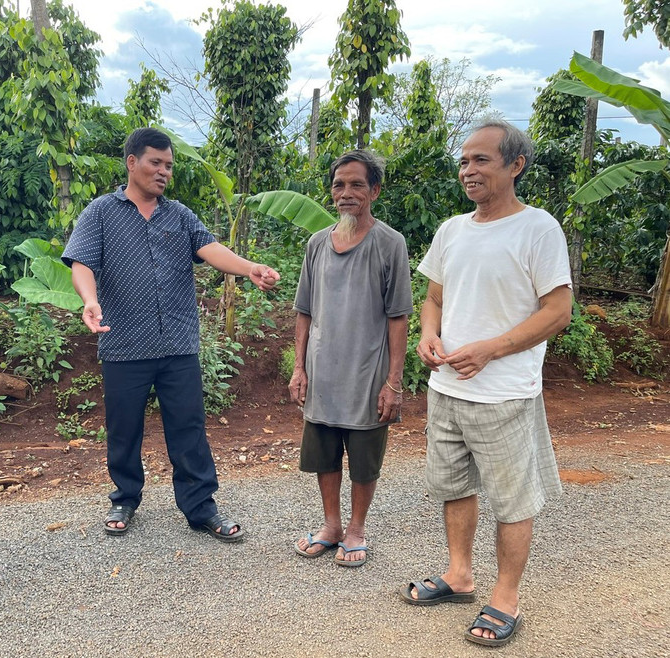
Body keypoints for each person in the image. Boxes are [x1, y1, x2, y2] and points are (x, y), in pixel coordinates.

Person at [61, 127, 279, 542]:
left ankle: (200, 507)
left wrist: (248, 267)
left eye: (169, 166)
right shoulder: (101, 212)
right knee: (123, 428)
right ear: (132, 162)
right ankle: (125, 497)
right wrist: (89, 299)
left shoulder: (178, 214)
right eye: (155, 163)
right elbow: (82, 263)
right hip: (124, 342)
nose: (163, 172)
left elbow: (211, 249)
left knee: (189, 427)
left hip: (177, 343)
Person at [401, 121, 572, 647]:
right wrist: (427, 336)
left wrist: (491, 349)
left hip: (505, 394)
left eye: (481, 160)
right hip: (447, 390)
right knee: (454, 487)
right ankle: (459, 575)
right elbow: (434, 298)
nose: (468, 171)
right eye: (464, 161)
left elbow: (559, 311)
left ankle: (505, 597)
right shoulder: (453, 229)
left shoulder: (538, 229)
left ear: (515, 165)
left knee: (512, 500)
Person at [288, 150, 412, 568]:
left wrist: (393, 381)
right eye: (339, 185)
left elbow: (399, 317)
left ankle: (357, 529)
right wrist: (299, 367)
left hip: (368, 374)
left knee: (363, 457)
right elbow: (304, 309)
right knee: (324, 452)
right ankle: (332, 526)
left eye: (357, 184)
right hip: (323, 373)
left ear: (374, 191)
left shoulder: (390, 244)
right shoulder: (317, 244)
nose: (346, 193)